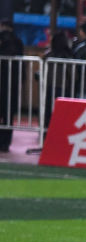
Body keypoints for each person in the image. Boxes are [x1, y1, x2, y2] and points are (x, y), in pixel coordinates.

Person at [0, 20, 24, 153]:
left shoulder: (4, 41)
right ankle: (5, 143)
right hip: (13, 83)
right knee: (8, 114)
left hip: (3, 81)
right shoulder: (18, 42)